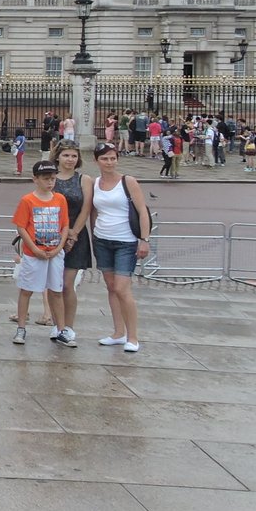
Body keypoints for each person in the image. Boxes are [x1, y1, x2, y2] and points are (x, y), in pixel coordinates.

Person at [89, 143, 150, 353]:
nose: (109, 162)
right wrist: (93, 235)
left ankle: (133, 336)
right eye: (105, 158)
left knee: (123, 288)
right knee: (111, 287)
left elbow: (142, 211)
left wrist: (144, 239)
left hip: (126, 240)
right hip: (102, 239)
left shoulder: (128, 181)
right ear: (96, 161)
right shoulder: (95, 183)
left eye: (113, 158)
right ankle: (118, 332)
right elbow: (94, 212)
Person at [11, 161, 66, 345]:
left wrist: (59, 248)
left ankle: (61, 329)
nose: (50, 182)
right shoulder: (28, 200)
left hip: (54, 252)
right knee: (26, 290)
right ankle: (21, 328)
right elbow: (21, 227)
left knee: (56, 291)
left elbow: (65, 225)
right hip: (34, 253)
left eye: (52, 179)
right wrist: (34, 249)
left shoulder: (60, 199)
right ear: (36, 179)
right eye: (45, 179)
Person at [49, 138, 90, 345]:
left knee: (67, 284)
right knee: (53, 284)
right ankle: (57, 325)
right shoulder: (51, 178)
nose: (70, 159)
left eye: (74, 156)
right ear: (58, 157)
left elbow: (86, 209)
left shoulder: (84, 179)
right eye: (66, 155)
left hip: (76, 234)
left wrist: (73, 233)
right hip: (52, 234)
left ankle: (69, 326)